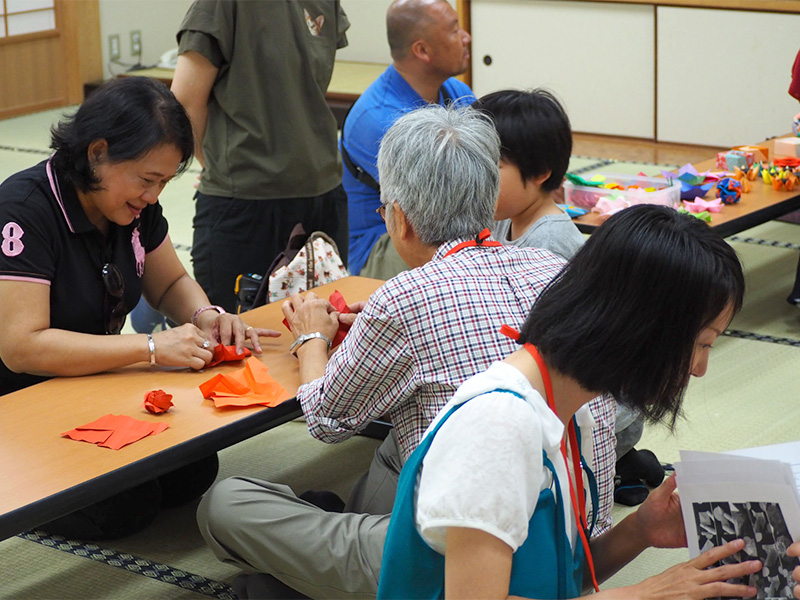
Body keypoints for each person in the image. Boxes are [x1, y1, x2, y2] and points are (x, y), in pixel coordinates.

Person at [196, 105, 568, 598]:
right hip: (561, 540)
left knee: (222, 505)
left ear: (400, 218)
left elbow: (326, 420)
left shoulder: (406, 296)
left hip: (462, 567)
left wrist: (311, 338)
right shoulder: (551, 269)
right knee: (399, 444)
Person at [378, 204, 759, 599]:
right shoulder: (496, 426)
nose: (700, 369)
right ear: (643, 327)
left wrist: (640, 530)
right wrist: (644, 594)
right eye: (703, 344)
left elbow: (557, 582)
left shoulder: (571, 408)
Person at [0, 77, 278, 539]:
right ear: (97, 153)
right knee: (125, 508)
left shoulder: (132, 207)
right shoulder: (24, 209)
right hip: (20, 396)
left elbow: (169, 283)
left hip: (88, 383)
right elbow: (21, 348)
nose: (153, 197)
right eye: (147, 180)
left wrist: (206, 316)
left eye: (164, 183)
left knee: (193, 470)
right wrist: (150, 347)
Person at [170, 0, 350, 314]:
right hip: (246, 203)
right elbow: (184, 103)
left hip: (324, 193)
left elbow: (306, 87)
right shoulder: (223, 6)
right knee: (236, 330)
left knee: (327, 325)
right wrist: (215, 165)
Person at [344, 0, 474, 279]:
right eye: (454, 30)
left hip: (446, 228)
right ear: (422, 50)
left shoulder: (457, 92)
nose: (466, 37)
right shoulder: (378, 119)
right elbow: (438, 207)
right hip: (390, 240)